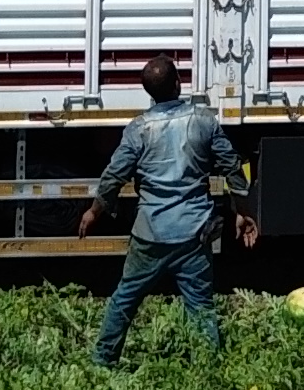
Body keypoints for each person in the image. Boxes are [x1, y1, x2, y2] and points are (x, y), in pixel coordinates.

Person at [76, 54, 246, 364]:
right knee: (199, 305)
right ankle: (207, 368)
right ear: (179, 84)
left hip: (150, 233)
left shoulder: (139, 129)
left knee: (125, 298)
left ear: (149, 93)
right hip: (194, 232)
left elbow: (114, 176)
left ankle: (102, 361)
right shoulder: (203, 120)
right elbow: (232, 166)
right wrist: (242, 210)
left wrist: (94, 212)